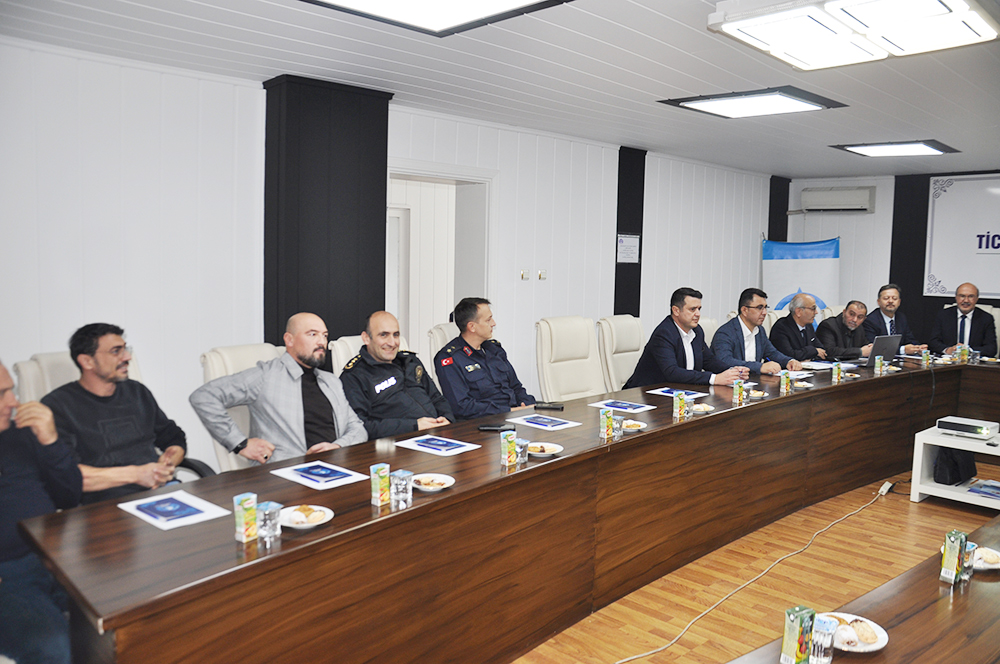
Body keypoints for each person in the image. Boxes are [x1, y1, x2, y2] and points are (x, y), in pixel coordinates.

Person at [190, 312, 367, 463]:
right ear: (289, 340)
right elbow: (204, 396)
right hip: (285, 474)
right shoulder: (265, 376)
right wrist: (240, 443)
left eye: (325, 335)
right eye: (312, 334)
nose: (321, 342)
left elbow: (358, 428)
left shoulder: (331, 381)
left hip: (334, 468)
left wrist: (337, 446)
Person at [42, 323, 186, 504]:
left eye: (125, 349)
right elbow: (68, 473)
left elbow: (172, 436)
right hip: (103, 505)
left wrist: (169, 461)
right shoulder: (57, 406)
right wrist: (137, 474)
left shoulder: (137, 392)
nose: (127, 357)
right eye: (116, 351)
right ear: (87, 361)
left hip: (159, 491)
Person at [0, 359, 81, 664]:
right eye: (1, 394)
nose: (14, 402)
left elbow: (69, 496)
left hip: (55, 556)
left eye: (12, 390)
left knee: (128, 609)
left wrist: (50, 441)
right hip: (8, 575)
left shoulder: (21, 433)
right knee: (54, 647)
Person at [340, 311, 453, 438]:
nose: (392, 343)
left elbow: (436, 398)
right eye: (384, 335)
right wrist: (414, 426)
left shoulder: (410, 361)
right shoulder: (354, 376)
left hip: (438, 434)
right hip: (397, 442)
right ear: (366, 338)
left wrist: (447, 418)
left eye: (396, 335)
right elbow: (360, 426)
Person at [434, 298, 535, 420]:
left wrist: (527, 404)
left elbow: (516, 387)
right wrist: (509, 411)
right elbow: (462, 406)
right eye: (488, 320)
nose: (493, 323)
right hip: (483, 422)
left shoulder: (494, 349)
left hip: (515, 416)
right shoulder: (450, 358)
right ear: (472, 326)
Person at [624, 288, 747, 388]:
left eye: (699, 309)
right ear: (676, 311)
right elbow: (672, 372)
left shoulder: (697, 331)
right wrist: (715, 378)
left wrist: (733, 371)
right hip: (646, 393)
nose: (698, 314)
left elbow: (709, 361)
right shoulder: (664, 334)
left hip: (681, 391)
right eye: (692, 309)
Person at [710, 288, 803, 375]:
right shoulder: (725, 333)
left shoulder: (759, 330)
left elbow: (772, 353)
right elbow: (725, 361)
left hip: (753, 381)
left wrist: (789, 361)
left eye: (765, 307)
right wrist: (760, 367)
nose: (765, 312)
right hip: (731, 383)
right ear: (744, 310)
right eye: (759, 308)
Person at [928, 282, 997, 357]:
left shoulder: (986, 318)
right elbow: (933, 342)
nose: (966, 300)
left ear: (977, 299)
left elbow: (991, 348)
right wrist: (948, 350)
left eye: (971, 296)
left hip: (972, 361)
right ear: (956, 297)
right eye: (962, 296)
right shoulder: (943, 315)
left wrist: (968, 351)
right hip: (948, 361)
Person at [861, 284, 927, 355]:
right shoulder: (870, 320)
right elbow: (875, 347)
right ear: (878, 302)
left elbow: (909, 339)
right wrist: (903, 350)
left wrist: (918, 347)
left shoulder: (901, 318)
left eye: (894, 298)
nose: (890, 301)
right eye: (886, 298)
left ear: (899, 302)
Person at [768, 293, 827, 361]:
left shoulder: (808, 326)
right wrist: (813, 351)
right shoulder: (781, 327)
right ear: (798, 312)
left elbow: (822, 351)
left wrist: (809, 358)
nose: (816, 312)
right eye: (813, 309)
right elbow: (789, 355)